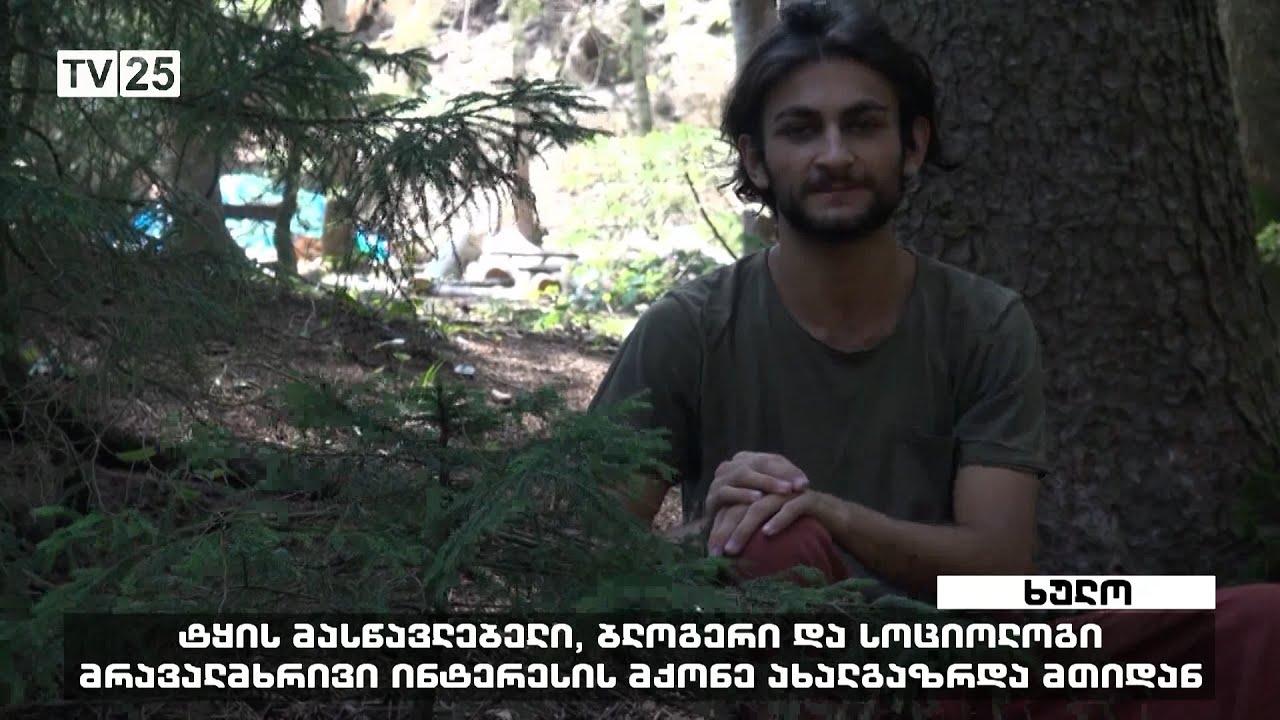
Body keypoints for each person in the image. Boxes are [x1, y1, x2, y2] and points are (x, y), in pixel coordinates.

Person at [587, 2, 1279, 718]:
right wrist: (707, 542)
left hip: (971, 660)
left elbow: (1000, 570)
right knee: (770, 540)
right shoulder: (691, 329)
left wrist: (836, 515)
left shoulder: (984, 322)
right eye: (801, 129)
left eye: (863, 125)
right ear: (756, 160)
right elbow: (581, 557)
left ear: (912, 145)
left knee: (1257, 621)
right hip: (802, 666)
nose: (835, 155)